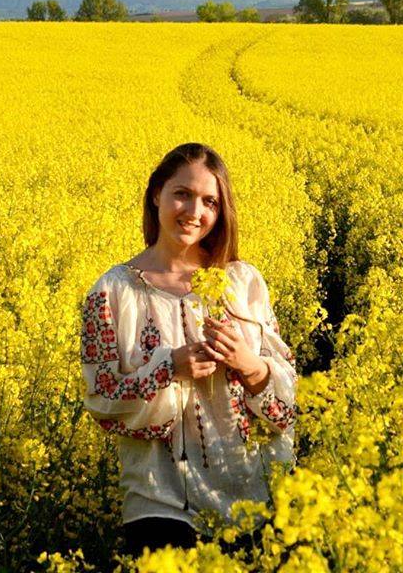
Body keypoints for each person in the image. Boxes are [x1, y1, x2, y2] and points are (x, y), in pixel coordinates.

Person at [79, 142, 298, 560]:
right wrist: (170, 367)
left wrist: (251, 366)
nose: (195, 211)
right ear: (156, 194)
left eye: (209, 201)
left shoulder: (243, 283)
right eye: (182, 194)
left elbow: (289, 401)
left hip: (253, 497)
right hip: (159, 502)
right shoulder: (111, 293)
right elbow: (102, 401)